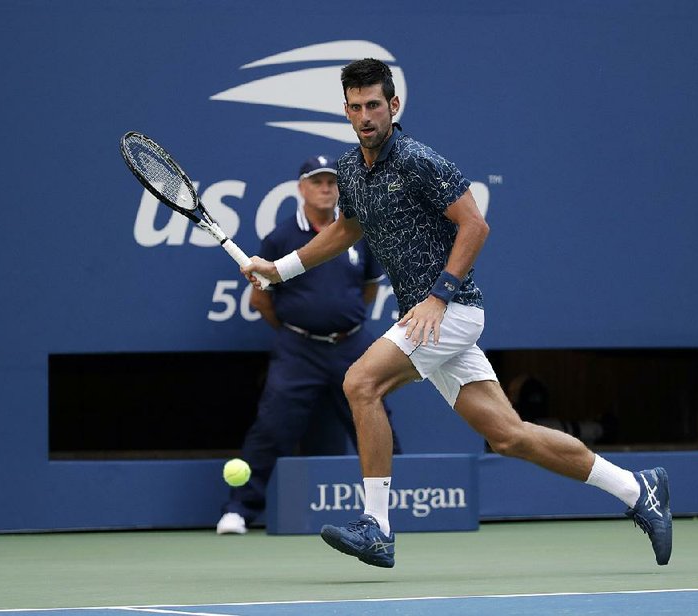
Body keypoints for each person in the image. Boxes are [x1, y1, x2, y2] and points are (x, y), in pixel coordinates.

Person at [241, 59, 672, 568]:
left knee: (360, 383)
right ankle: (637, 489)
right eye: (355, 107)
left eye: (374, 105)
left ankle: (376, 526)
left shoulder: (420, 159)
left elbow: (475, 225)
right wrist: (280, 269)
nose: (365, 117)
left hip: (451, 310)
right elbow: (346, 231)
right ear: (346, 110)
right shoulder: (351, 168)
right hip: (427, 317)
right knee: (509, 436)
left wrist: (439, 295)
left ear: (393, 105)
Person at [217, 154, 401, 535]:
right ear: (301, 188)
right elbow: (262, 299)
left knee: (377, 420)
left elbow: (367, 289)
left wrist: (339, 323)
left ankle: (399, 507)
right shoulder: (281, 237)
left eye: (332, 182)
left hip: (351, 346)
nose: (326, 188)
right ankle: (239, 509)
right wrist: (299, 328)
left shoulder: (355, 233)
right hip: (298, 350)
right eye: (317, 182)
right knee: (272, 425)